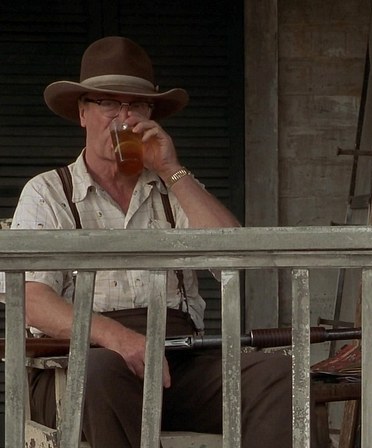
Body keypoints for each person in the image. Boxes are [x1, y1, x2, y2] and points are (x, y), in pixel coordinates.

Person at [12, 36, 301, 447]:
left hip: (175, 360)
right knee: (100, 372)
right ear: (82, 112)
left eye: (137, 105)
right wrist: (116, 337)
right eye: (109, 103)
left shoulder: (172, 187)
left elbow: (234, 256)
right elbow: (31, 298)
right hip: (76, 368)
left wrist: (170, 168)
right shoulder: (48, 192)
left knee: (279, 376)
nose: (124, 117)